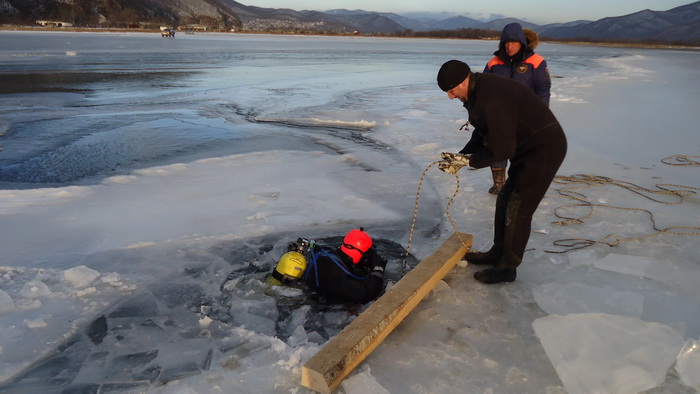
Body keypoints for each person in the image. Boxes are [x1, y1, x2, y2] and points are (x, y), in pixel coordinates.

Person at [436, 60, 567, 284]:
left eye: (451, 90)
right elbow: (483, 131)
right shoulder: (478, 91)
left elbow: (502, 149)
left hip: (544, 149)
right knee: (505, 199)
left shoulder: (490, 98)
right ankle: (498, 252)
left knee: (518, 208)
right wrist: (463, 155)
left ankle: (508, 268)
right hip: (526, 148)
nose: (450, 96)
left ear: (464, 80)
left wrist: (470, 162)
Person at [482, 23, 551, 195]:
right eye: (506, 42)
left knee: (525, 153)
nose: (509, 46)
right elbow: (482, 89)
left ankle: (523, 185)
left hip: (526, 116)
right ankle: (499, 184)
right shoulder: (494, 63)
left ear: (521, 42)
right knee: (497, 149)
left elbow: (543, 89)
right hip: (499, 116)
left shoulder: (536, 62)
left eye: (513, 42)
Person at [292, 228, 387, 303]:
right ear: (356, 253)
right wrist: (378, 269)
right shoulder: (337, 274)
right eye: (367, 253)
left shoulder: (329, 253)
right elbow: (365, 295)